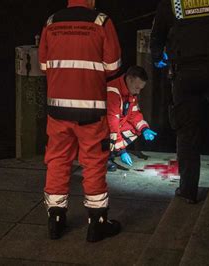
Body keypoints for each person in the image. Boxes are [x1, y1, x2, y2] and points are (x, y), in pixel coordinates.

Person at [38, 0, 122, 242]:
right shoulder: (101, 21)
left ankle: (55, 219)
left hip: (58, 108)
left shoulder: (51, 22)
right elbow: (113, 66)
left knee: (57, 159)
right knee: (94, 162)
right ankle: (97, 224)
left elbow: (44, 65)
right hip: (91, 108)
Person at [150, 0, 209, 203]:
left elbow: (156, 37)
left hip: (185, 74)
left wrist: (160, 57)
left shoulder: (171, 4)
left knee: (187, 130)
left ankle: (188, 189)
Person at [107, 66, 157, 169]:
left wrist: (144, 129)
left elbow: (134, 115)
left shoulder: (130, 92)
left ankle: (111, 151)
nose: (138, 92)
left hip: (115, 126)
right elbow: (112, 124)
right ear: (129, 79)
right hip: (104, 128)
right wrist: (122, 151)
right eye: (137, 88)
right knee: (111, 133)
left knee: (136, 129)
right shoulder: (112, 91)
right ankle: (104, 158)